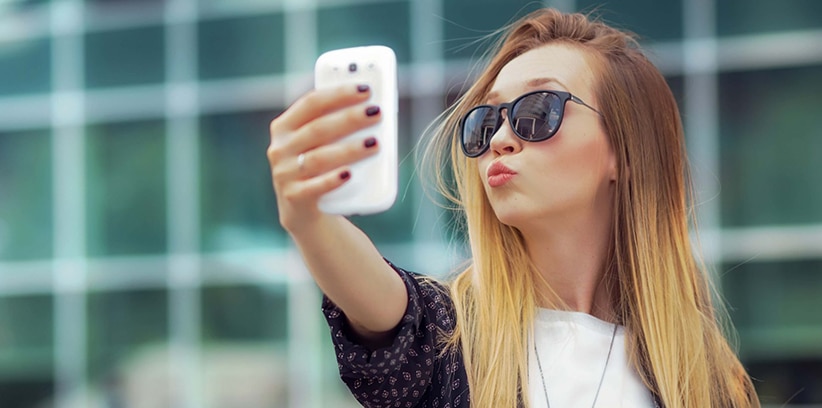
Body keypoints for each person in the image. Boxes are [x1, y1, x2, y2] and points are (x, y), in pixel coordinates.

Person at [267, 8, 760, 408]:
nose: (500, 140)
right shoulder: (446, 337)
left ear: (624, 151)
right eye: (485, 122)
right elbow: (379, 304)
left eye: (537, 111)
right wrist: (309, 218)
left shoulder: (707, 380)